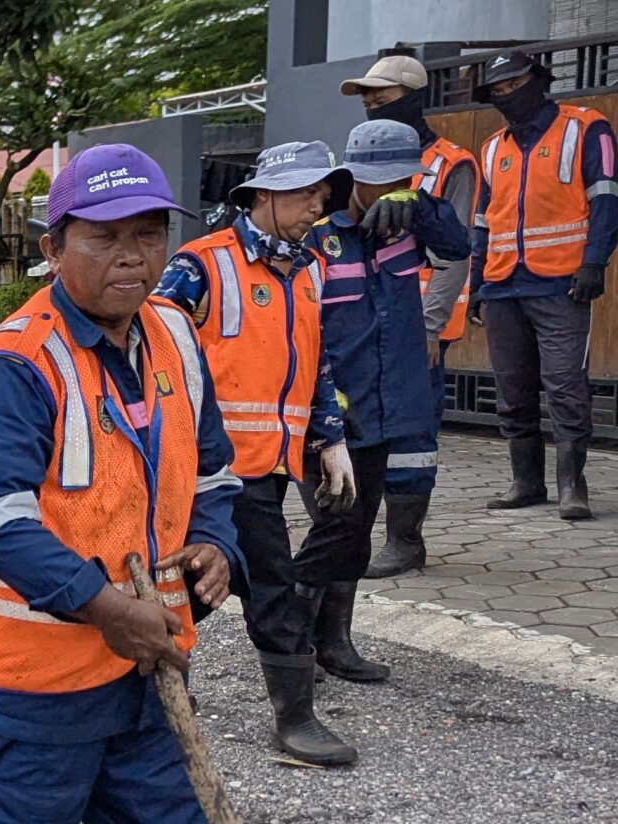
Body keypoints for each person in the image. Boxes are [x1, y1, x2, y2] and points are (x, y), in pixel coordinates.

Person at [0, 142, 383, 824]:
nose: (132, 255)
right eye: (104, 237)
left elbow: (213, 468)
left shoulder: (174, 335)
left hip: (141, 663)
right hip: (33, 676)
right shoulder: (10, 367)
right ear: (54, 247)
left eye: (148, 234)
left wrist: (215, 543)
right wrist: (105, 608)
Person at [155, 142, 362, 766]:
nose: (317, 208)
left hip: (272, 463)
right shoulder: (201, 265)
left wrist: (330, 439)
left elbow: (317, 363)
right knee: (271, 581)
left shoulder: (310, 269)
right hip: (210, 464)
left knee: (201, 584)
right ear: (265, 195)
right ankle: (295, 719)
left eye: (322, 197)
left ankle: (139, 683)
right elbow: (153, 349)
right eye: (306, 195)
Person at [297, 120, 472, 669]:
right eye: (381, 181)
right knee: (334, 527)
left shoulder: (409, 221)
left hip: (383, 406)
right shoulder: (317, 235)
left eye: (402, 180)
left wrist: (418, 207)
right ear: (352, 177)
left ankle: (334, 643)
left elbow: (459, 244)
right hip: (329, 409)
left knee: (357, 529)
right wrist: (321, 399)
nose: (390, 189)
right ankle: (292, 644)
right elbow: (297, 326)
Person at [469, 50, 618, 521]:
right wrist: (475, 282)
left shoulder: (586, 128)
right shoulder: (491, 148)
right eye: (498, 91)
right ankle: (526, 482)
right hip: (501, 285)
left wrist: (594, 262)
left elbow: (606, 200)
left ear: (538, 80)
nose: (506, 96)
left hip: (561, 284)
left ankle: (572, 486)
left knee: (564, 386)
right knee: (512, 391)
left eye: (514, 85)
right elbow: (483, 221)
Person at [343, 54, 479, 576]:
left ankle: (405, 540)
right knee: (359, 423)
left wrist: (430, 325)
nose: (371, 103)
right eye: (367, 97)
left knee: (410, 432)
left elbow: (456, 251)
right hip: (363, 320)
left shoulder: (451, 163)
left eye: (383, 95)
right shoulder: (357, 160)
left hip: (415, 323)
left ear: (414, 96)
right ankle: (349, 533)